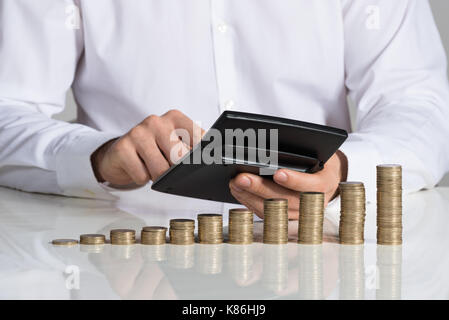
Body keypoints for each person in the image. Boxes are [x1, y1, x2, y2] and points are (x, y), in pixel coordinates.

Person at [0, 0, 448, 218]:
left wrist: (344, 170)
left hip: (318, 246)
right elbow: (6, 111)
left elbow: (421, 103)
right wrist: (98, 156)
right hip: (120, 254)